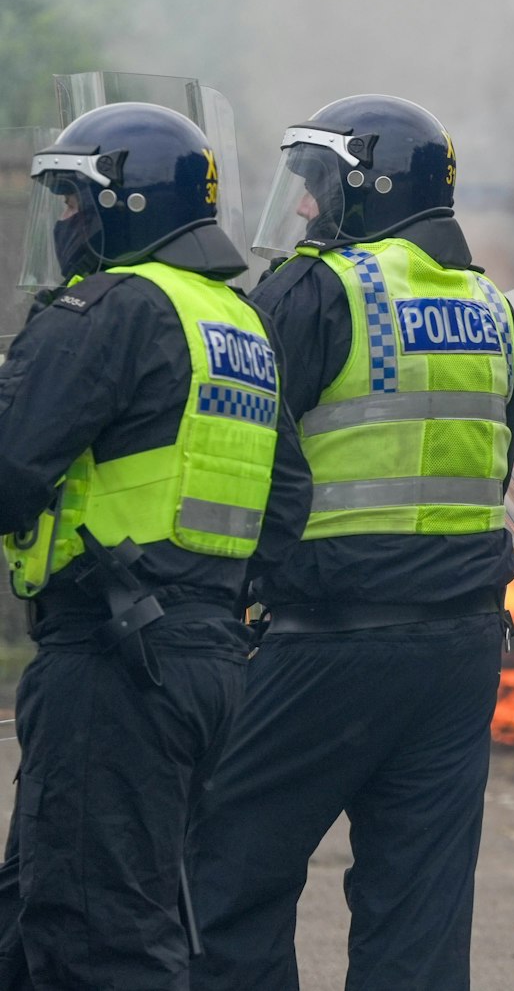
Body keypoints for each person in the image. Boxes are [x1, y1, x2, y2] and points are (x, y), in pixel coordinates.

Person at [189, 95, 514, 991]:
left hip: (327, 637)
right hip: (460, 650)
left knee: (223, 875)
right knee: (419, 908)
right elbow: (495, 466)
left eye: (319, 185)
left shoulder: (317, 288)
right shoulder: (492, 308)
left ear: (372, 188)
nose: (304, 205)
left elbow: (242, 450)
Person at [0, 102, 306, 989]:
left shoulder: (109, 309)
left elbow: (11, 470)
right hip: (203, 659)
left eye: (74, 200)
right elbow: (288, 501)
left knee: (99, 937)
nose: (65, 221)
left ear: (122, 206)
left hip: (112, 660)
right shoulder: (237, 322)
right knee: (34, 917)